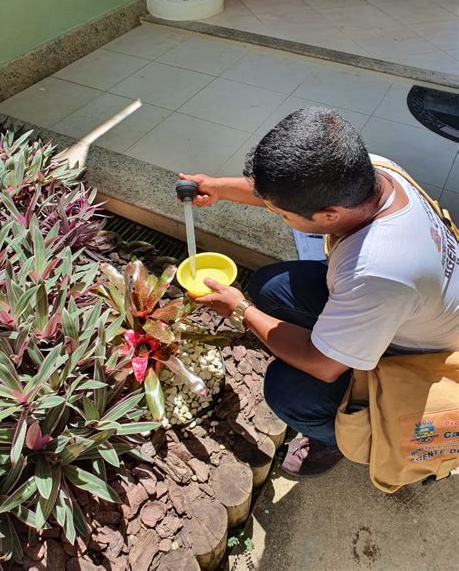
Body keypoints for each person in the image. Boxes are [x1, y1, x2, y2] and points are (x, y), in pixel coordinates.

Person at [180, 107, 458, 476]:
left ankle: (336, 440)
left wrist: (239, 309)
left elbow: (324, 366)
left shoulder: (376, 270)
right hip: (407, 312)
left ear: (328, 216)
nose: (281, 217)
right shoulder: (369, 172)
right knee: (270, 286)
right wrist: (218, 187)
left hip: (419, 360)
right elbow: (286, 193)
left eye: (283, 216)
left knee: (289, 392)